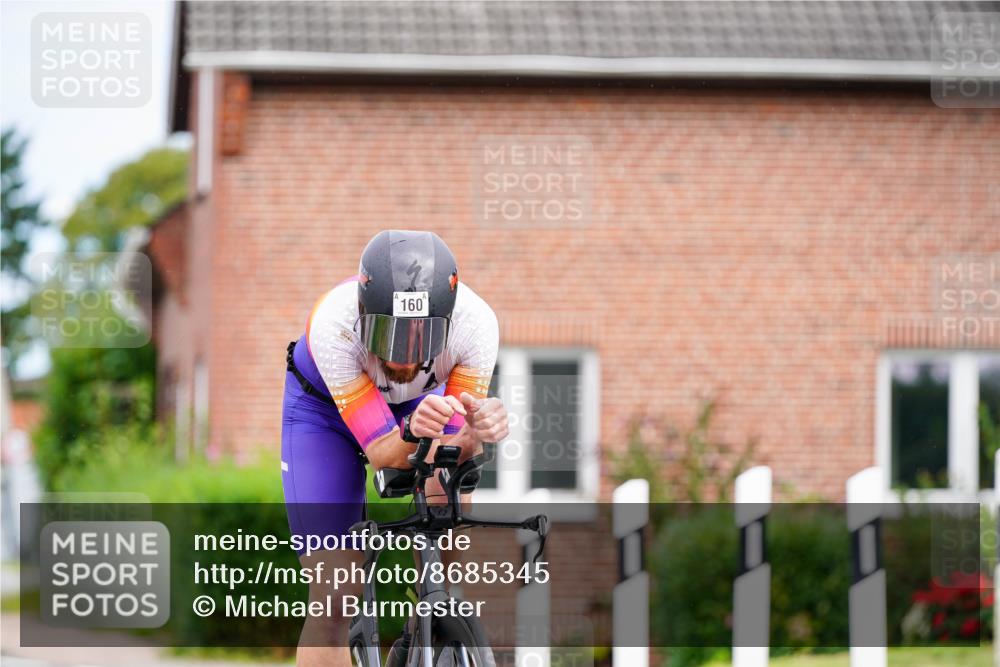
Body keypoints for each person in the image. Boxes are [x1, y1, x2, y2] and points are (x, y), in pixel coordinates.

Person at [281, 230, 509, 667]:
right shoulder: (334, 321)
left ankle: (426, 618)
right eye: (387, 335)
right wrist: (408, 435)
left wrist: (478, 432)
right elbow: (385, 456)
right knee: (334, 596)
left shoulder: (476, 325)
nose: (404, 360)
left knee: (449, 490)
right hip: (322, 413)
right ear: (364, 313)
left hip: (420, 406)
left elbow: (455, 451)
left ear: (448, 320)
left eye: (420, 340)